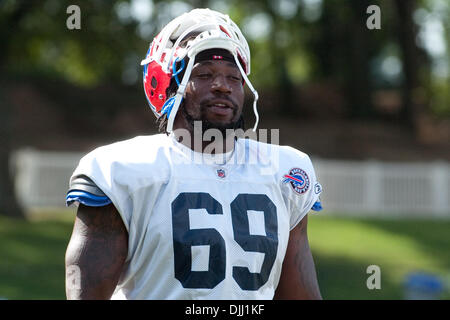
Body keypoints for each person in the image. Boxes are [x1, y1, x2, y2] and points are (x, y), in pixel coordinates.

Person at [64, 8, 323, 300]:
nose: (222, 86)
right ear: (168, 85)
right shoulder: (120, 170)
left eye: (234, 77)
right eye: (204, 74)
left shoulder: (284, 169)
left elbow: (300, 294)